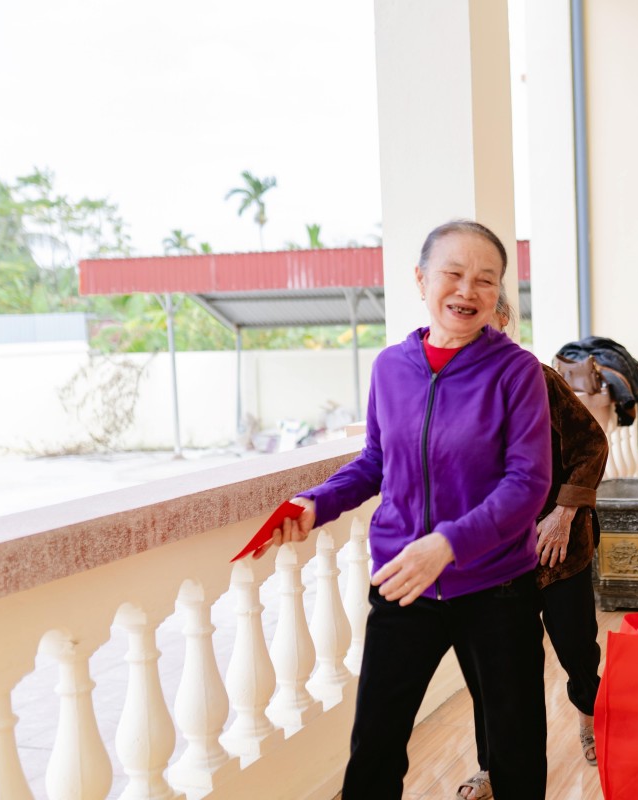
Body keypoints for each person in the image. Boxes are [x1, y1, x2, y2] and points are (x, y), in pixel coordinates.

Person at [256, 220, 553, 799]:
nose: (468, 291)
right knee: (375, 747)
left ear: (498, 294)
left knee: (516, 749)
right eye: (453, 274)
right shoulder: (391, 368)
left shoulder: (516, 372)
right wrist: (315, 504)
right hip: (402, 583)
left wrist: (447, 544)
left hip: (495, 587)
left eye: (486, 280)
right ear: (421, 280)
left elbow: (528, 484)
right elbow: (375, 461)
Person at [458, 298, 610, 800]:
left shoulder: (539, 380)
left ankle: (591, 720)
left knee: (578, 654)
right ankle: (491, 768)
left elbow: (592, 444)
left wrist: (564, 514)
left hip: (557, 551)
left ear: (504, 323)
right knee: (493, 674)